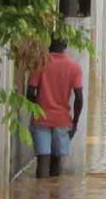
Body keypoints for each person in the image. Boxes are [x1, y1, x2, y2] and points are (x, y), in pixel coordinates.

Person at [27, 37, 83, 178]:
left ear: (49, 44)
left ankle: (40, 195)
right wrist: (75, 123)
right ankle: (55, 195)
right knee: (57, 161)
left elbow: (30, 93)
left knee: (42, 160)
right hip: (62, 120)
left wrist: (37, 108)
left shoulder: (40, 63)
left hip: (41, 118)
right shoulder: (74, 67)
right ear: (65, 45)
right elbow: (79, 98)